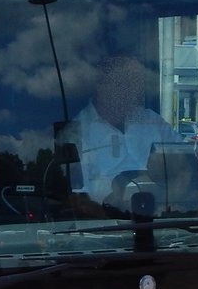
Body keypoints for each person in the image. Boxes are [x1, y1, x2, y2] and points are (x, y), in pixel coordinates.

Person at [65, 55, 180, 205]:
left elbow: (184, 160)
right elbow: (78, 198)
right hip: (103, 216)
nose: (133, 90)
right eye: (125, 82)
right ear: (101, 84)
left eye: (137, 83)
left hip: (164, 213)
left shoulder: (153, 121)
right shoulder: (77, 132)